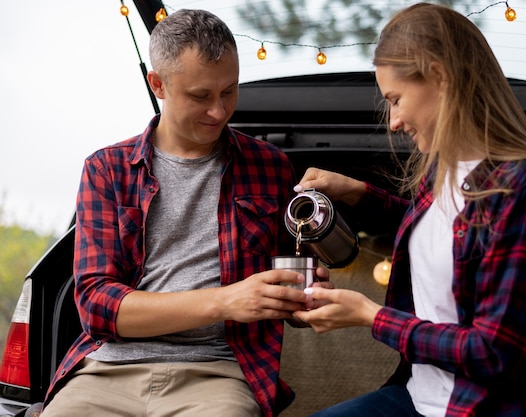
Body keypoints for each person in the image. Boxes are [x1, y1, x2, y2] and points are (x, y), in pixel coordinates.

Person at [41, 9, 326, 417]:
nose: (219, 111)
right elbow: (96, 304)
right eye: (200, 96)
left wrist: (304, 297)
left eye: (229, 91)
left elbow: (291, 280)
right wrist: (225, 301)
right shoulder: (107, 169)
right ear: (157, 84)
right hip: (106, 371)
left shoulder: (270, 167)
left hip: (219, 374)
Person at [293, 3, 526, 417]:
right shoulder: (442, 168)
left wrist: (370, 316)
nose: (393, 121)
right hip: (417, 397)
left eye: (396, 99)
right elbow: (445, 236)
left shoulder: (525, 187)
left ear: (439, 77)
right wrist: (356, 192)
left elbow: (494, 353)